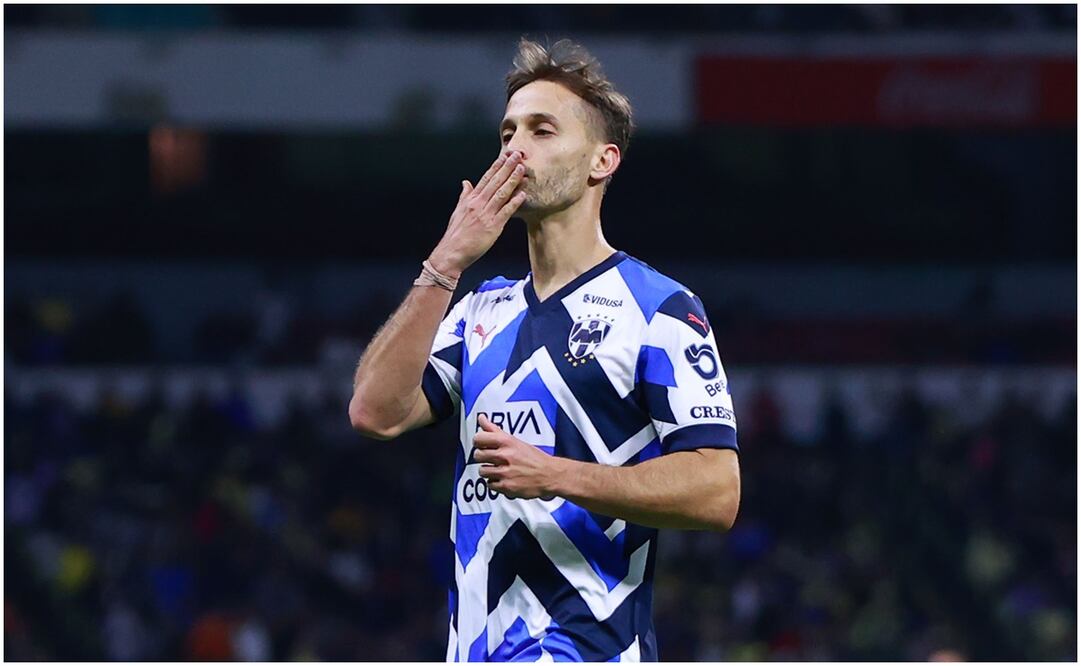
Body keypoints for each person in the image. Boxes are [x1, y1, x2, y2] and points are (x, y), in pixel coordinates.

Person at [350, 37, 740, 662]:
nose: (514, 149)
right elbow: (376, 412)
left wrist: (555, 476)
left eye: (541, 130)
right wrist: (446, 260)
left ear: (601, 161)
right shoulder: (480, 309)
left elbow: (718, 491)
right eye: (506, 133)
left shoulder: (660, 309)